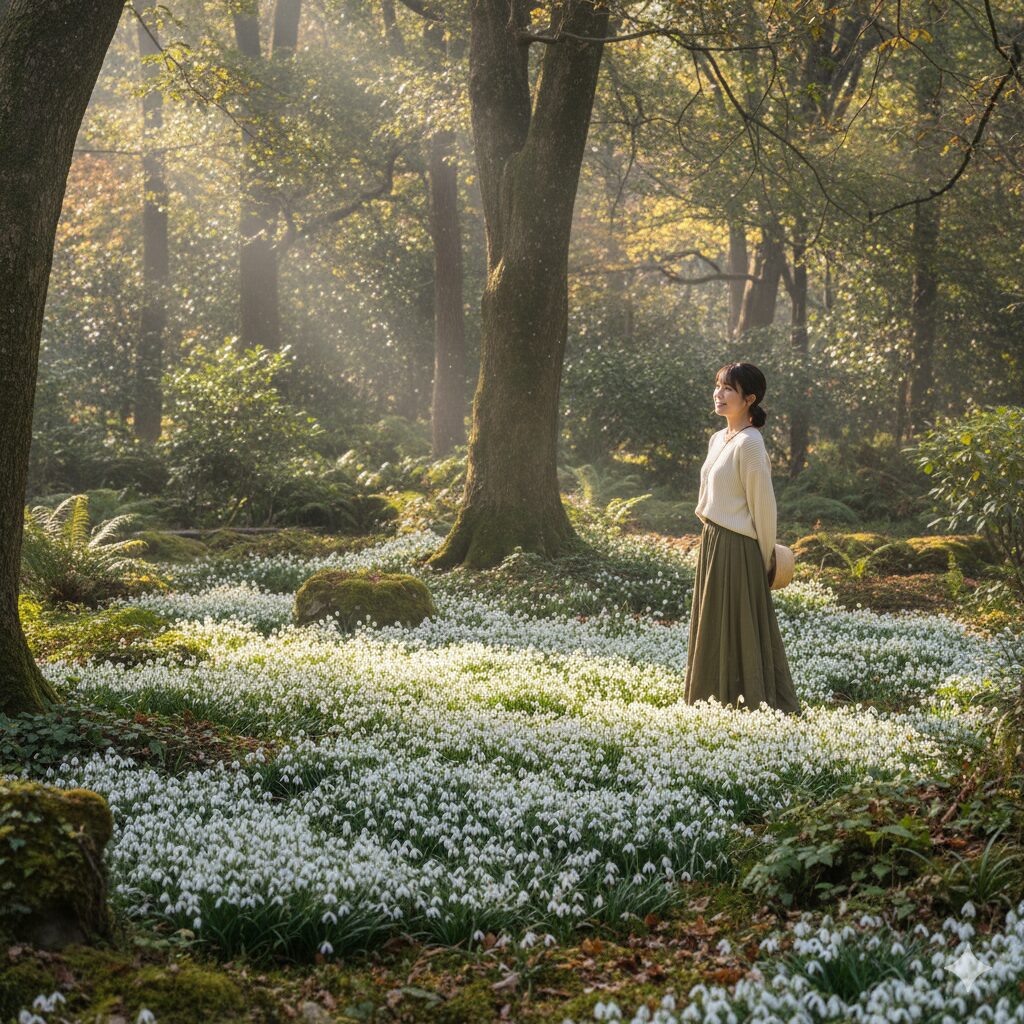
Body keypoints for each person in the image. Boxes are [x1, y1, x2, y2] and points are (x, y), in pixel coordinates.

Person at [684, 362, 801, 715]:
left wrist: (763, 560)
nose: (718, 394)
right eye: (718, 386)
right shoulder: (718, 438)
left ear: (749, 399)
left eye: (728, 389)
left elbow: (764, 508)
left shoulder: (751, 444)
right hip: (713, 542)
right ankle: (710, 699)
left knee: (740, 626)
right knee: (714, 623)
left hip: (739, 548)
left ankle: (749, 702)